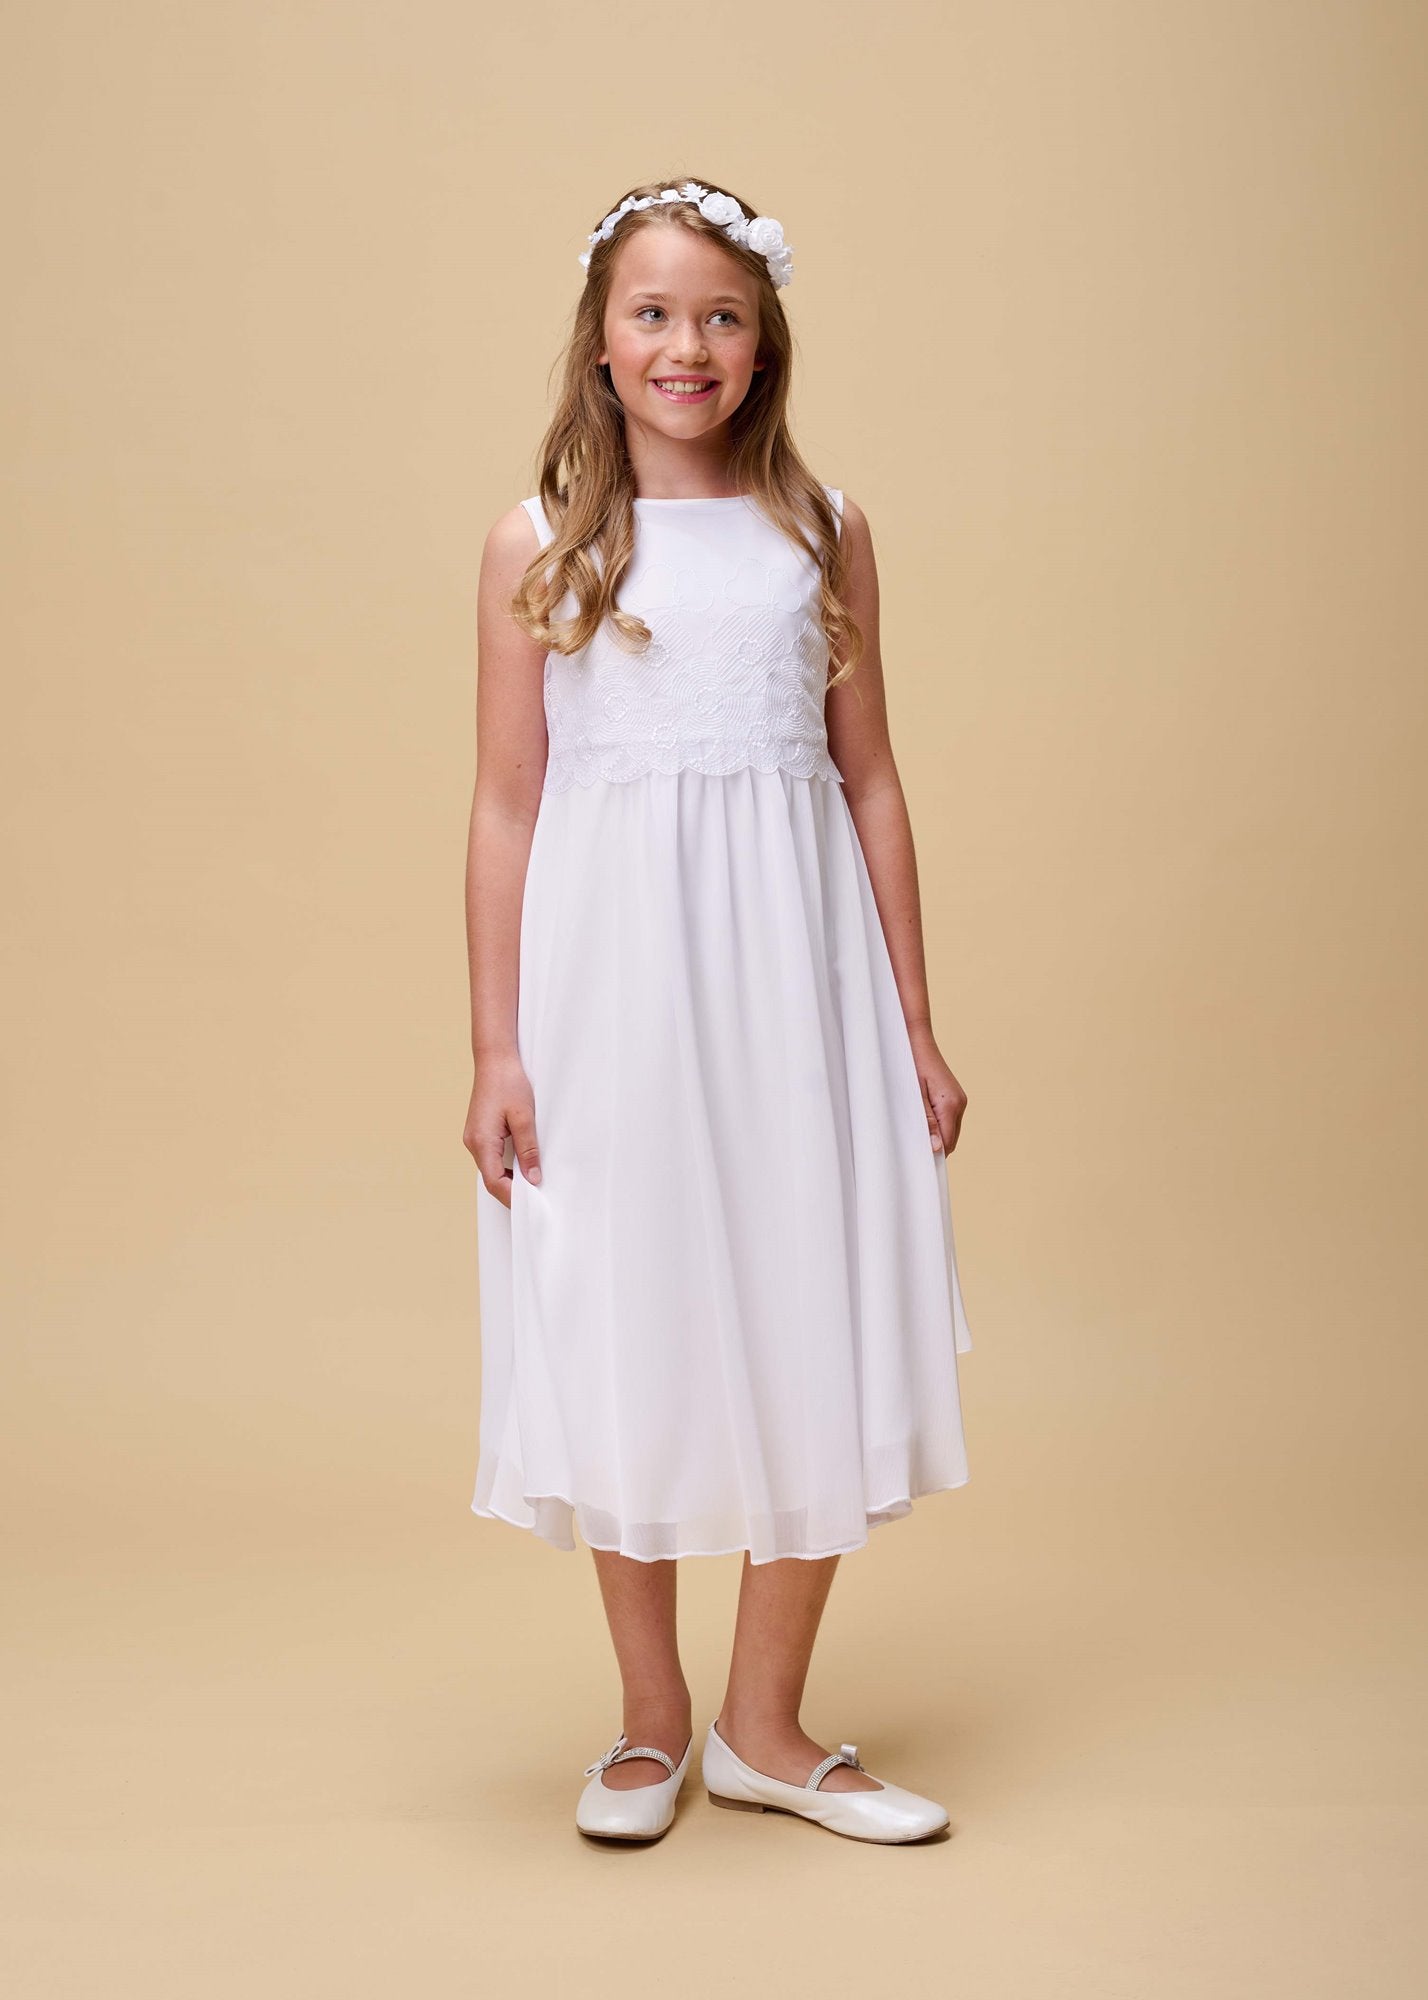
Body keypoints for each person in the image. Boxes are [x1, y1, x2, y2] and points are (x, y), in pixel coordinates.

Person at [462, 177, 974, 1845]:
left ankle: (766, 1726)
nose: (688, 344)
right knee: (627, 1305)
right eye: (654, 314)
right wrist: (497, 1047)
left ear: (764, 345)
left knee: (808, 1302)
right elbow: (506, 807)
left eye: (722, 316)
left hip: (796, 992)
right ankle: (649, 1721)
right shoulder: (543, 544)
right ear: (602, 344)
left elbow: (871, 779)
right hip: (610, 996)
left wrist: (912, 1023)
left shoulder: (823, 531)